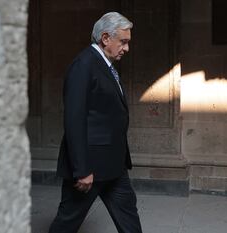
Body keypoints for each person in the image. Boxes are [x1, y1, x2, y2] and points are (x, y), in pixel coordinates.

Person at [48, 12, 142, 233]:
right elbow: (74, 119)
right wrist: (82, 170)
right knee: (67, 222)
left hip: (114, 166)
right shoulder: (83, 65)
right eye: (123, 42)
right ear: (106, 38)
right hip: (90, 168)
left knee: (129, 217)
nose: (126, 48)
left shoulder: (105, 65)